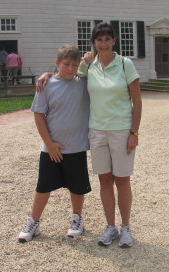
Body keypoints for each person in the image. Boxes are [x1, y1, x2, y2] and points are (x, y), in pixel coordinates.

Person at [37, 22, 142, 248]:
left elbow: (137, 101)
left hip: (121, 130)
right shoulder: (89, 66)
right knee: (104, 180)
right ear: (93, 43)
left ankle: (125, 227)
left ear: (114, 41)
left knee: (122, 180)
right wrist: (47, 75)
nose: (103, 43)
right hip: (96, 131)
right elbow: (67, 75)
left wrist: (134, 132)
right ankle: (110, 226)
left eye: (107, 39)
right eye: (99, 40)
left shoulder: (125, 65)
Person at [18, 44, 91, 243]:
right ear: (57, 63)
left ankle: (77, 219)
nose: (70, 69)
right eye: (66, 64)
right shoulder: (46, 85)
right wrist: (49, 144)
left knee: (77, 187)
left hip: (76, 146)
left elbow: (94, 66)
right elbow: (39, 116)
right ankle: (33, 221)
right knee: (43, 186)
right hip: (51, 148)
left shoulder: (83, 83)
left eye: (75, 65)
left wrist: (87, 61)